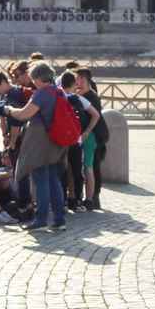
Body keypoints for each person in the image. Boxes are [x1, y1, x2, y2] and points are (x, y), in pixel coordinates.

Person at [0, 61, 69, 233]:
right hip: (56, 139)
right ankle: (59, 219)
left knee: (40, 179)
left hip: (40, 141)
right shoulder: (59, 92)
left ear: (38, 78)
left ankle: (41, 219)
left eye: (33, 78)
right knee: (53, 179)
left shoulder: (42, 94)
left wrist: (8, 110)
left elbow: (24, 114)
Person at [60, 70, 99, 211]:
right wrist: (87, 131)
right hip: (76, 139)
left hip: (60, 140)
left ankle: (63, 200)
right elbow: (96, 114)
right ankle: (76, 201)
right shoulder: (77, 99)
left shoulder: (56, 97)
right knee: (77, 170)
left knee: (64, 170)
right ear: (74, 83)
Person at [75, 68, 107, 210]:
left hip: (92, 136)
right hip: (82, 135)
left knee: (91, 167)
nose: (78, 81)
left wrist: (87, 131)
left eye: (81, 79)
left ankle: (91, 198)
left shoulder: (91, 97)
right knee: (84, 167)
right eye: (77, 78)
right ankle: (85, 197)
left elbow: (96, 116)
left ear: (87, 80)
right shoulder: (78, 94)